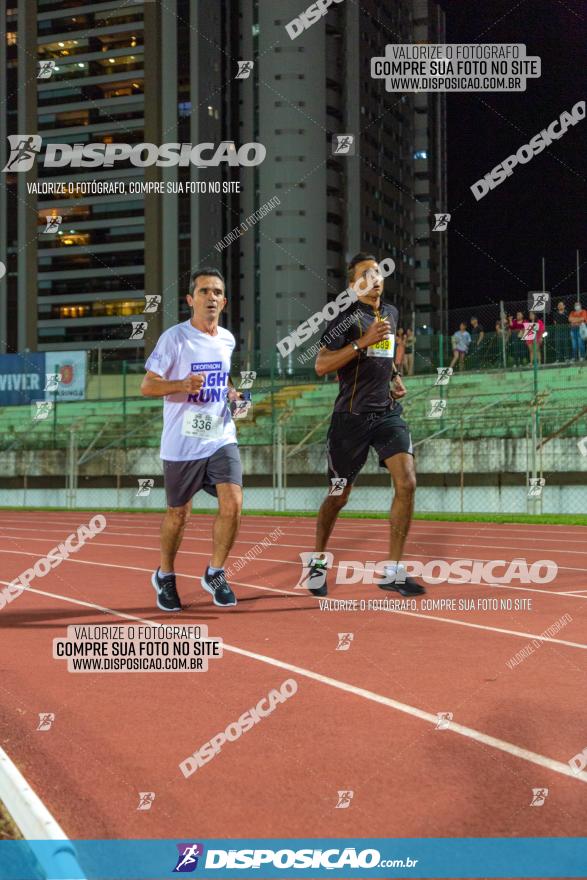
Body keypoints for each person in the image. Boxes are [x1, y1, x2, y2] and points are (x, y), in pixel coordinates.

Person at [304, 253, 425, 598]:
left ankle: (392, 570)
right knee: (339, 495)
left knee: (408, 482)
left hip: (385, 414)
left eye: (378, 273)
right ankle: (317, 561)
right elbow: (321, 365)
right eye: (365, 274)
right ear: (352, 284)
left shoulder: (390, 313)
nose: (374, 279)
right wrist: (362, 342)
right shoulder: (343, 317)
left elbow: (383, 358)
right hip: (350, 419)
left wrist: (396, 377)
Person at [141, 268, 245, 611]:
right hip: (181, 443)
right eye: (204, 291)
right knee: (178, 514)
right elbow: (147, 386)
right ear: (190, 300)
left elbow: (223, 378)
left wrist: (233, 395)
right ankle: (166, 576)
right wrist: (181, 385)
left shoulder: (227, 339)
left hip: (219, 435)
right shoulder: (174, 338)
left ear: (224, 301)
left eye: (217, 291)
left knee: (233, 503)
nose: (211, 297)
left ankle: (215, 572)